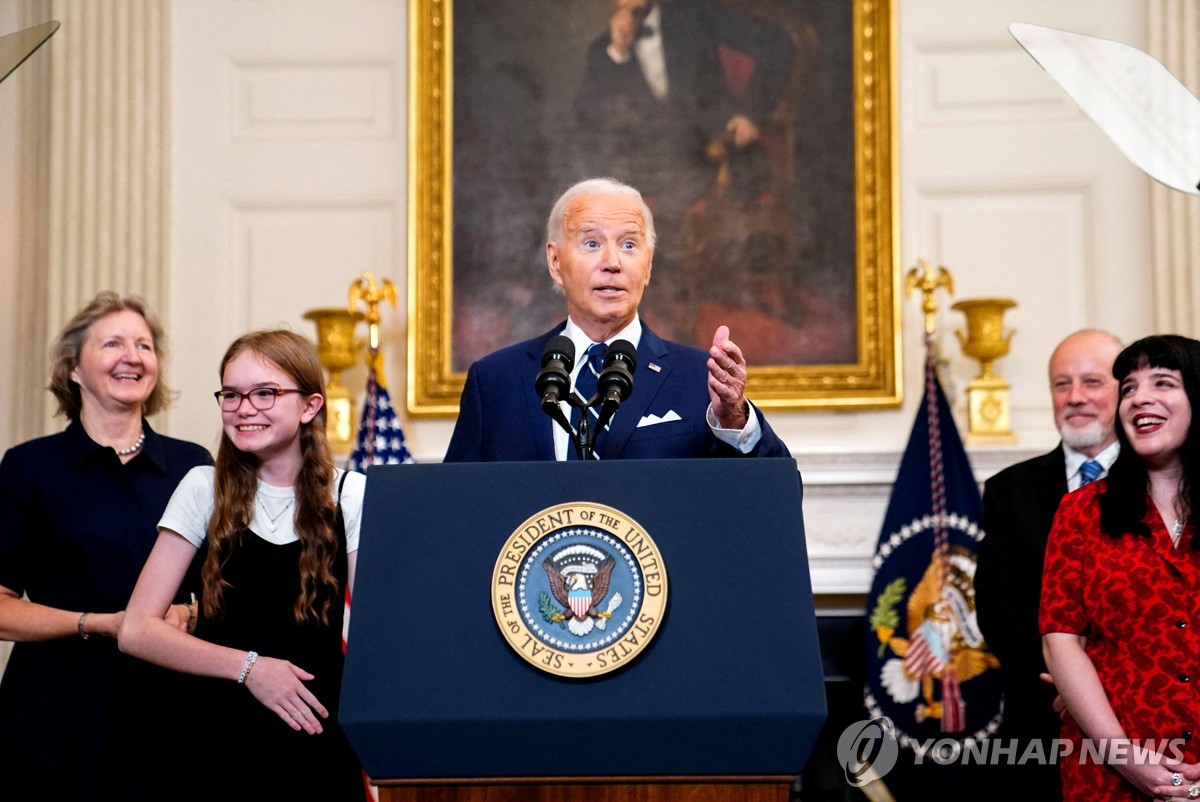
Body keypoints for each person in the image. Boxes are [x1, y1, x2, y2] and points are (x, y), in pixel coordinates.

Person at [118, 330, 366, 800]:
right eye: (231, 394)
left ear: (310, 406)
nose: (244, 408)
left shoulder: (351, 495)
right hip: (215, 744)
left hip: (318, 744)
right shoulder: (201, 487)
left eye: (265, 393)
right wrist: (251, 669)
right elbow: (137, 630)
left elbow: (372, 636)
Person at [0, 291, 213, 801]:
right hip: (55, 711)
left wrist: (192, 612)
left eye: (144, 345)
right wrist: (96, 623)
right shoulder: (29, 467)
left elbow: (224, 589)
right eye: (113, 343)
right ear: (74, 368)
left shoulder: (194, 466)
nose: (132, 356)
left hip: (169, 705)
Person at [443, 176, 791, 462]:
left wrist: (735, 422)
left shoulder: (701, 379)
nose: (612, 262)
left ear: (648, 265)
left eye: (628, 245)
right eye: (592, 244)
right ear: (555, 263)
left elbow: (772, 497)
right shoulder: (494, 382)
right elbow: (455, 512)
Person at [1041, 334, 1200, 801]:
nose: (1140, 398)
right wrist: (1126, 758)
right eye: (1128, 388)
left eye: (1163, 382)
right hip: (1109, 773)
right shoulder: (1081, 511)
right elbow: (1061, 640)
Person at [975, 329, 1122, 800]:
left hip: (1141, 708)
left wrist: (1106, 684)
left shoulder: (1163, 480)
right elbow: (996, 607)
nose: (1075, 397)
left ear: (1123, 392)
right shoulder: (1008, 490)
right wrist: (1068, 681)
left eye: (1092, 382)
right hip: (1040, 713)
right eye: (1062, 384)